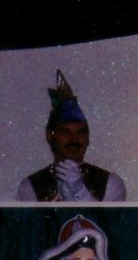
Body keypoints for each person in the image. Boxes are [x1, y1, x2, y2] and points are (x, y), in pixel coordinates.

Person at [10, 70, 127, 202]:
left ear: (88, 138)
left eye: (81, 132)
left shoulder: (110, 183)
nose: (74, 139)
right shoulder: (30, 186)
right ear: (50, 135)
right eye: (65, 132)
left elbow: (106, 216)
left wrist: (80, 191)